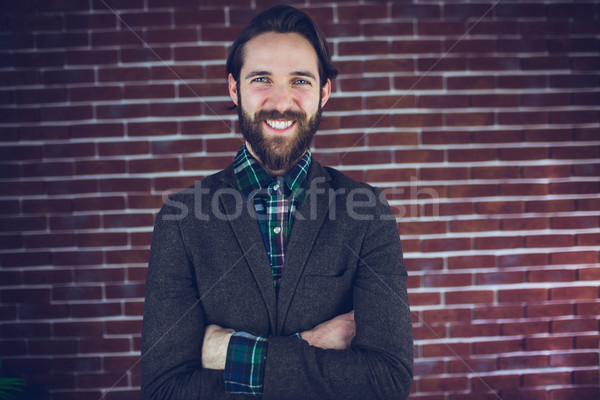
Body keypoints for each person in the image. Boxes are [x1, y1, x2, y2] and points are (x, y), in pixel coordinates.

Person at [141, 5, 413, 399]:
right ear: (234, 89)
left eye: (300, 80)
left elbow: (386, 380)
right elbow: (164, 390)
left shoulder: (367, 211)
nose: (281, 101)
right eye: (262, 79)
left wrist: (226, 352)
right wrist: (314, 343)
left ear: (324, 92)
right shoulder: (180, 220)